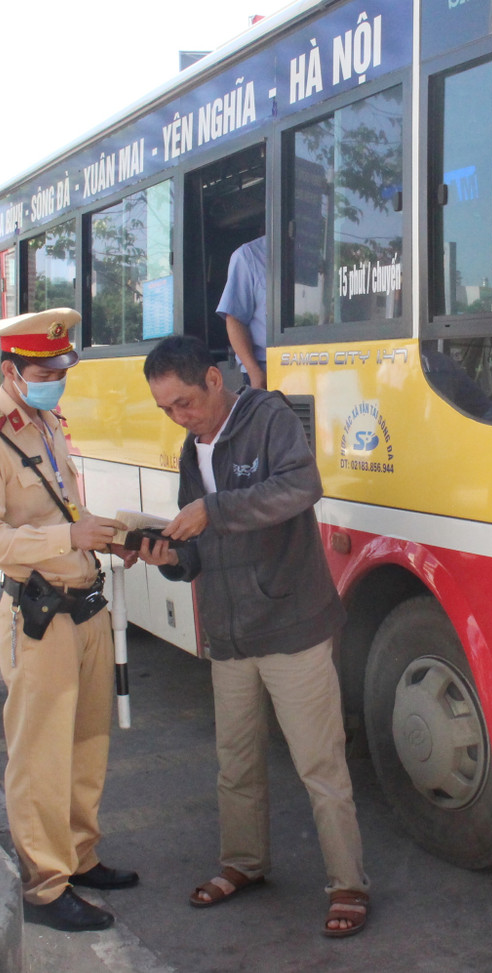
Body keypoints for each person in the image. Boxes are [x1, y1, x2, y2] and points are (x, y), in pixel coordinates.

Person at [138, 334, 370, 938]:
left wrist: (215, 510)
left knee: (320, 765)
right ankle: (243, 864)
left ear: (215, 380)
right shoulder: (193, 451)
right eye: (166, 410)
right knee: (235, 763)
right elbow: (197, 552)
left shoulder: (268, 417)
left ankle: (347, 882)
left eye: (184, 403)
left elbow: (301, 487)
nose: (179, 417)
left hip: (292, 624)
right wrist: (166, 556)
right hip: (229, 632)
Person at [0, 307, 137, 932]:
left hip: (82, 604)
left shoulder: (47, 421)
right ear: (12, 370)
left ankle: (80, 856)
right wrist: (66, 536)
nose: (58, 377)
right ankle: (46, 884)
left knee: (87, 744)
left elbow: (66, 506)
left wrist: (103, 537)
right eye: (45, 369)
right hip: (37, 615)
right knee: (39, 755)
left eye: (63, 367)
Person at [216, 234, 267, 388]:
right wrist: (254, 372)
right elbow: (234, 319)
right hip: (264, 369)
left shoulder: (317, 250)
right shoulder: (248, 255)